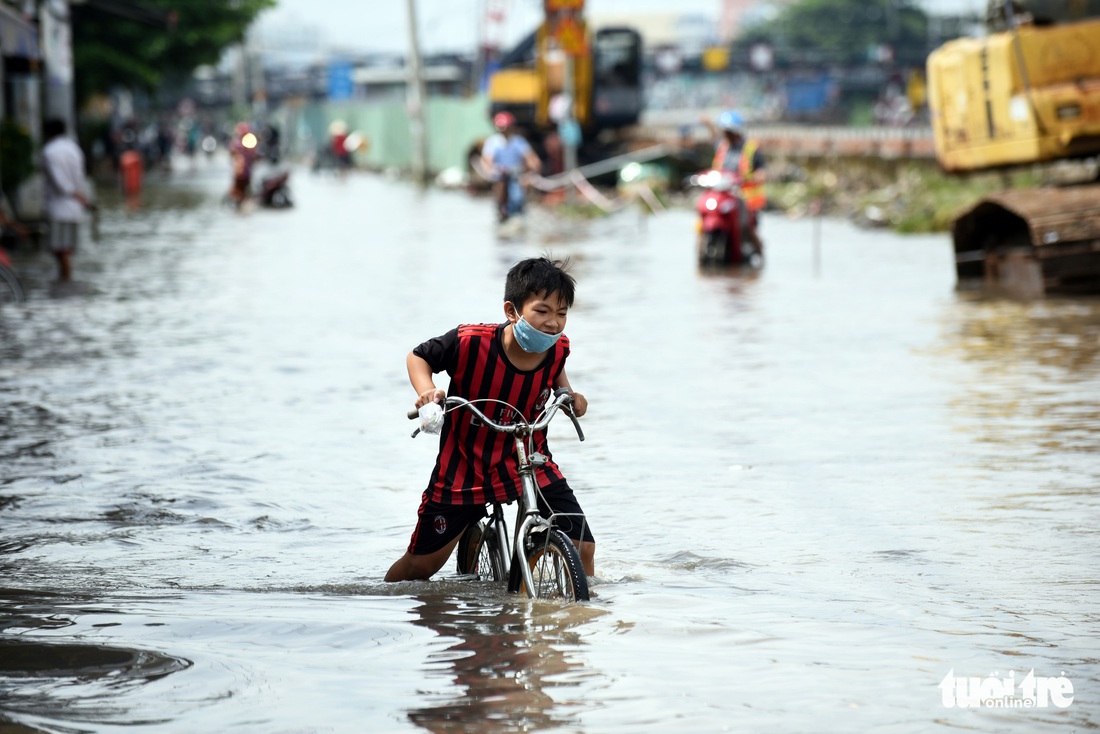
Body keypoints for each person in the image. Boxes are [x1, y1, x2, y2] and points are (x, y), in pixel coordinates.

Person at [385, 256, 593, 583]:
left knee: (582, 547)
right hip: (464, 467)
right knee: (419, 569)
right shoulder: (470, 342)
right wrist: (428, 392)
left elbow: (557, 378)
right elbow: (418, 357)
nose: (553, 323)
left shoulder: (557, 348)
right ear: (512, 311)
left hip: (528, 460)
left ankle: (580, 612)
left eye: (562, 313)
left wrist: (571, 397)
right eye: (542, 311)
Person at [702, 110, 767, 253]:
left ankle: (759, 253)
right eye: (725, 132)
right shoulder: (722, 146)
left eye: (729, 132)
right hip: (723, 196)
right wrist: (708, 125)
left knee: (747, 228)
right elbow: (714, 138)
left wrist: (752, 178)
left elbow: (762, 172)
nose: (727, 135)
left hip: (746, 199)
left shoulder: (751, 148)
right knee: (701, 221)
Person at [41, 118, 89, 282]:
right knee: (66, 249)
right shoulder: (73, 148)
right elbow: (79, 175)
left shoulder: (49, 151)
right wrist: (80, 194)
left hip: (59, 206)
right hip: (74, 205)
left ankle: (65, 280)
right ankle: (65, 279)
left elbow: (58, 180)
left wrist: (73, 193)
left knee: (61, 249)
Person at [480, 112, 541, 223]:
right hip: (500, 175)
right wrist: (490, 171)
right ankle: (501, 210)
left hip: (516, 174)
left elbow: (531, 158)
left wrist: (532, 170)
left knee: (518, 196)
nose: (504, 131)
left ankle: (518, 213)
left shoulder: (518, 142)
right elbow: (487, 159)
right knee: (500, 191)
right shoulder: (493, 142)